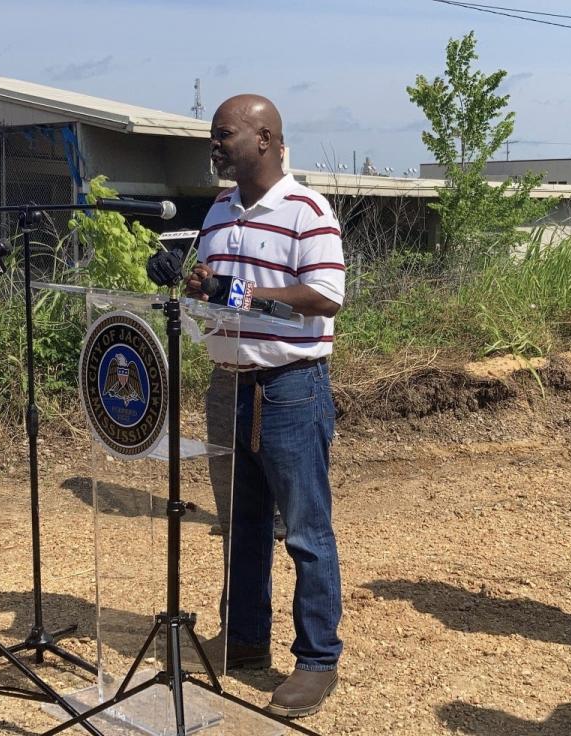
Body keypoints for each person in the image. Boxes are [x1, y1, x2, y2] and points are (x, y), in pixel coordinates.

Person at [187, 94, 344, 718]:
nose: (215, 145)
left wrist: (244, 290)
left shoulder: (307, 208)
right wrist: (198, 283)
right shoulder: (219, 208)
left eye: (224, 134)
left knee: (305, 532)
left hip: (289, 388)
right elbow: (213, 285)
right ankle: (246, 639)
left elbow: (327, 296)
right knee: (241, 527)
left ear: (266, 138)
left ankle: (315, 659)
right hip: (227, 386)